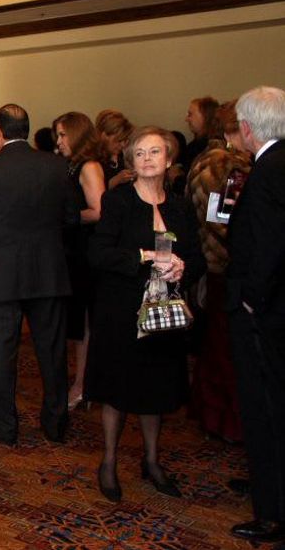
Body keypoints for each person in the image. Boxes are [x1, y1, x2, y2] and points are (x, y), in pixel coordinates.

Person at [85, 126, 205, 502]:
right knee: (117, 388)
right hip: (121, 311)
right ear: (131, 162)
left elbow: (198, 257)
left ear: (169, 160)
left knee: (157, 387)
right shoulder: (118, 201)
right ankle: (108, 462)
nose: (148, 159)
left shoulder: (180, 206)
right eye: (140, 153)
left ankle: (152, 461)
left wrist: (182, 269)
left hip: (163, 313)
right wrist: (143, 256)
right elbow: (98, 253)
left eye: (155, 152)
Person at [0, 103, 77, 446]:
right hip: (48, 272)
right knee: (52, 351)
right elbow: (71, 218)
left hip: (3, 274)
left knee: (5, 353)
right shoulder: (56, 166)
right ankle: (55, 424)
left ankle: (4, 425)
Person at [224, 86, 285, 547]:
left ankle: (273, 511)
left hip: (266, 315)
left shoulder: (267, 172)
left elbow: (269, 246)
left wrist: (251, 300)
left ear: (246, 128)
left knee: (266, 408)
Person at [186, 101, 251, 443]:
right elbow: (222, 222)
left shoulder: (207, 159)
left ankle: (210, 412)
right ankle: (224, 419)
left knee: (215, 344)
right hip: (223, 265)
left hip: (210, 262)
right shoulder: (228, 166)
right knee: (225, 347)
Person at [53, 112, 107, 411]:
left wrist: (63, 217)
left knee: (84, 322)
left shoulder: (89, 166)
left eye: (63, 134)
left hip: (84, 253)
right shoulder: (70, 165)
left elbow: (99, 210)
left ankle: (82, 385)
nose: (59, 141)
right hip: (70, 251)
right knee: (75, 322)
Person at [95, 110, 135, 189]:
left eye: (125, 140)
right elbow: (96, 192)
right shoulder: (93, 161)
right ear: (104, 136)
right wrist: (116, 180)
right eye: (118, 141)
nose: (123, 145)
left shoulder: (121, 155)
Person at [184, 96, 219, 173]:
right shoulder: (193, 145)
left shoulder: (213, 149)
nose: (186, 119)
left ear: (205, 116)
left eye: (190, 114)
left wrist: (176, 177)